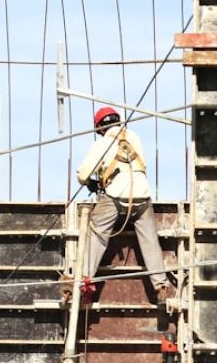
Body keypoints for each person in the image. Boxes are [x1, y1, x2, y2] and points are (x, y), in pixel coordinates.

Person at [71, 107, 175, 304]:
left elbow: (82, 174)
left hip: (115, 198)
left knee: (97, 234)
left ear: (100, 128)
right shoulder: (134, 138)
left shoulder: (103, 143)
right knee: (150, 241)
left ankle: (84, 279)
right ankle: (160, 286)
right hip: (142, 198)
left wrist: (92, 183)